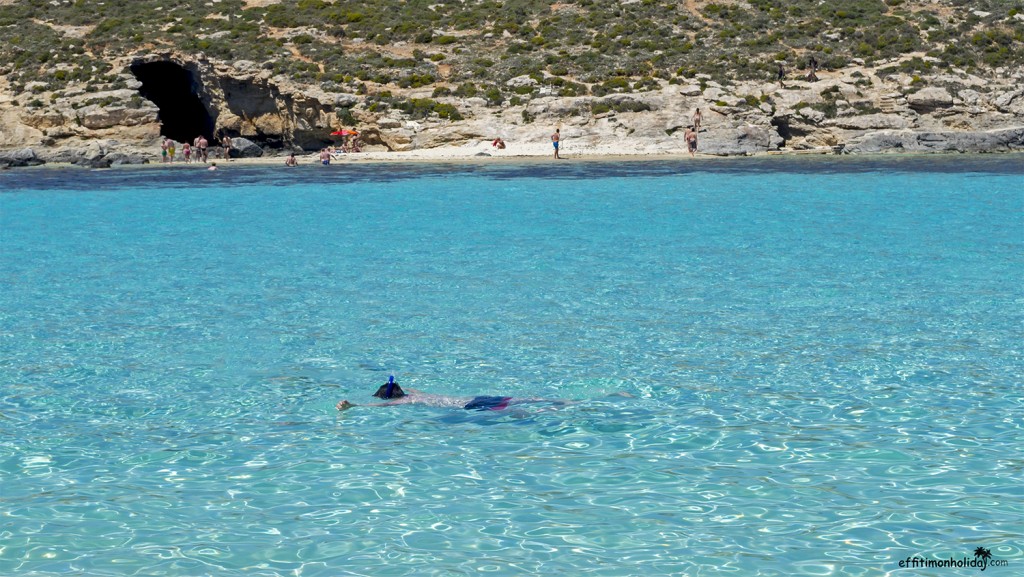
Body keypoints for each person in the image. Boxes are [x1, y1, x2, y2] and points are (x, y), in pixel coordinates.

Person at [336, 376, 562, 412]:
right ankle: (562, 401)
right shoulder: (415, 393)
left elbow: (380, 406)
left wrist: (354, 406)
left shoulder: (406, 400)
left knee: (516, 413)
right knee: (523, 400)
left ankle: (548, 410)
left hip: (469, 408)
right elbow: (409, 388)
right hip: (476, 397)